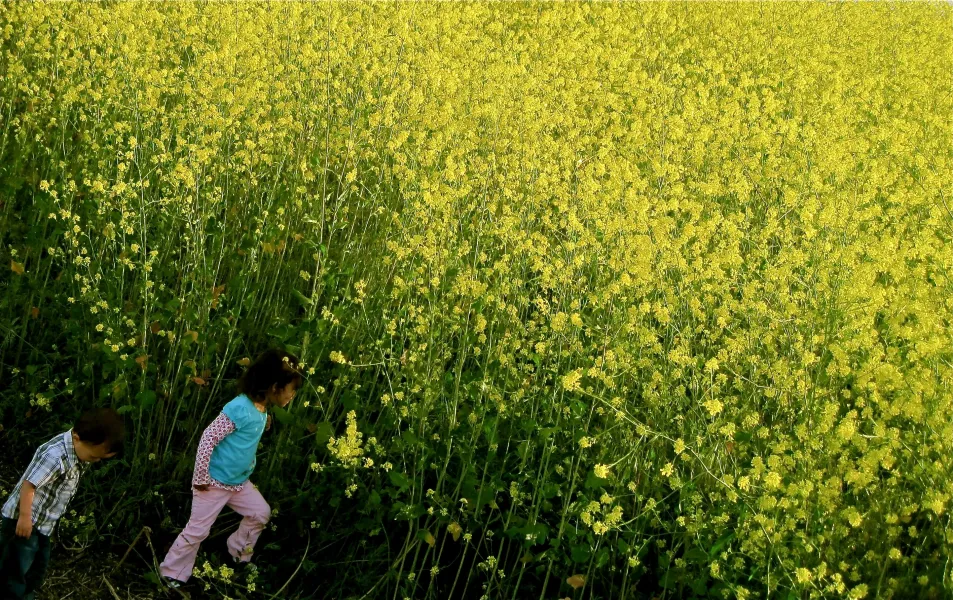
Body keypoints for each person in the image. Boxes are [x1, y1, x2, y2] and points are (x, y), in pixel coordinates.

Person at [160, 349, 302, 588]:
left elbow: (247, 431)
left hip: (238, 483)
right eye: (292, 389)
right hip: (213, 481)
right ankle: (171, 572)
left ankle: (237, 555)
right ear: (275, 386)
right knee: (197, 530)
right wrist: (201, 477)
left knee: (260, 513)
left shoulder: (261, 408)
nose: (293, 395)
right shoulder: (240, 407)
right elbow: (208, 438)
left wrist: (264, 423)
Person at [0, 407, 126, 600]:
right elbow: (29, 484)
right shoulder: (55, 456)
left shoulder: (79, 451)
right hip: (23, 522)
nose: (96, 461)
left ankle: (26, 593)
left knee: (37, 566)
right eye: (94, 457)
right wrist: (24, 517)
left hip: (42, 524)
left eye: (101, 458)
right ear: (76, 437)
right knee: (16, 567)